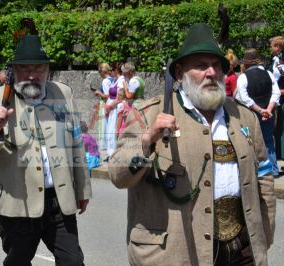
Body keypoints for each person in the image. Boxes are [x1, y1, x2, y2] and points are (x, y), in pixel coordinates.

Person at [109, 23, 276, 266]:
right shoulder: (148, 114)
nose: (211, 72)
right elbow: (117, 174)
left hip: (242, 248)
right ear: (179, 73)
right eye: (200, 65)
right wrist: (146, 140)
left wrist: (265, 230)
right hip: (178, 251)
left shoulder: (244, 116)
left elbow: (264, 175)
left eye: (216, 65)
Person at [0, 29, 91, 266]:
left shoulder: (63, 93)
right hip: (17, 203)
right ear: (14, 70)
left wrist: (83, 189)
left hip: (58, 200)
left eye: (39, 68)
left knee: (73, 261)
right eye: (25, 69)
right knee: (19, 261)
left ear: (47, 69)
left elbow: (76, 142)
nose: (33, 75)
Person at [235, 48, 281, 177]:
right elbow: (276, 93)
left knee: (252, 141)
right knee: (268, 141)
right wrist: (268, 110)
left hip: (251, 114)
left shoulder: (243, 77)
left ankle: (258, 170)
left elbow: (243, 98)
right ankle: (273, 170)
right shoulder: (269, 73)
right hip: (268, 114)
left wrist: (260, 111)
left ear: (246, 63)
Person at [90, 63, 113, 150]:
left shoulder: (105, 81)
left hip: (105, 104)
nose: (99, 74)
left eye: (99, 72)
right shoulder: (113, 79)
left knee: (103, 125)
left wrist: (99, 93)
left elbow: (107, 96)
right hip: (111, 104)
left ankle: (104, 145)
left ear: (102, 71)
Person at [104, 62, 124, 160]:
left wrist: (110, 106)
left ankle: (113, 154)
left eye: (111, 70)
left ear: (116, 71)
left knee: (113, 131)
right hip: (111, 109)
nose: (109, 72)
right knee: (109, 131)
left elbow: (119, 97)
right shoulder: (114, 80)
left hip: (115, 108)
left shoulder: (121, 80)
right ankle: (110, 153)